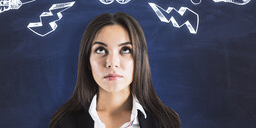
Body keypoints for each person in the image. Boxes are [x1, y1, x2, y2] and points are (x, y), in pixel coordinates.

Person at [49, 12, 181, 128]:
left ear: (139, 59)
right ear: (87, 61)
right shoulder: (64, 122)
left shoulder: (166, 122)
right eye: (100, 50)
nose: (112, 63)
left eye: (125, 50)